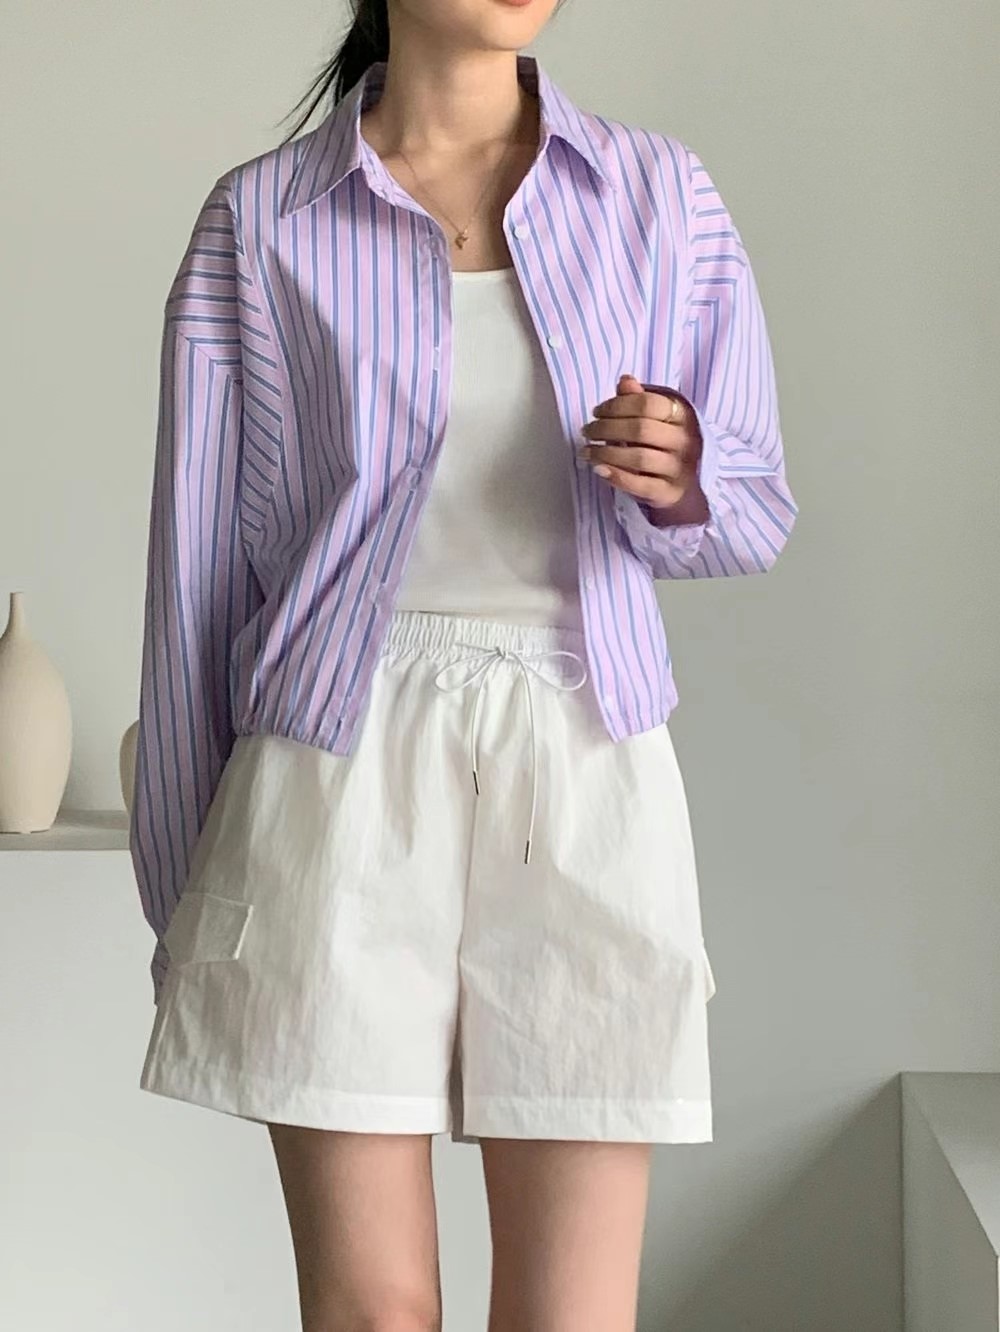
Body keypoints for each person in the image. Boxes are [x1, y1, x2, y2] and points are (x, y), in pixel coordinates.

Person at [129, 0, 797, 1327]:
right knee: (373, 1315)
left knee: (571, 1317)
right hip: (333, 773)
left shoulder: (659, 196)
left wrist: (685, 477)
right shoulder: (261, 222)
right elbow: (197, 579)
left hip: (586, 761)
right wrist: (191, 890)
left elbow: (758, 508)